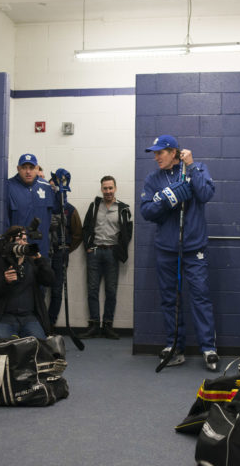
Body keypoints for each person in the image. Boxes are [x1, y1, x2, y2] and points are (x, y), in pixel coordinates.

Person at [140, 135, 218, 371]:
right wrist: (167, 199)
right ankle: (175, 346)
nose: (156, 157)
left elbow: (205, 195)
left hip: (194, 248)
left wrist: (192, 167)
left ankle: (208, 348)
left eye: (160, 153)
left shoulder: (196, 169)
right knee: (169, 299)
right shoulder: (153, 178)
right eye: (154, 153)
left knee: (200, 296)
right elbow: (146, 211)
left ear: (173, 152)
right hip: (166, 249)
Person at [79, 175, 132, 339]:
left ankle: (108, 325)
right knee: (92, 290)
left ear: (115, 188)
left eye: (110, 188)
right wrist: (88, 247)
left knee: (111, 290)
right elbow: (86, 227)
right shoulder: (94, 206)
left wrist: (119, 250)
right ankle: (94, 325)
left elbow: (128, 232)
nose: (108, 191)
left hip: (111, 253)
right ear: (101, 189)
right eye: (105, 188)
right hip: (94, 252)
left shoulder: (123, 208)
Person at [0, 226, 54, 339]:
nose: (22, 243)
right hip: (5, 317)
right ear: (9, 242)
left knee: (39, 344)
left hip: (29, 317)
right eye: (18, 239)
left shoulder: (32, 262)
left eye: (25, 240)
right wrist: (5, 282)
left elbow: (49, 280)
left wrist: (40, 261)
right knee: (3, 345)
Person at [47, 169, 82, 327]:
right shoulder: (44, 206)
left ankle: (50, 323)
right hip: (44, 252)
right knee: (39, 289)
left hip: (61, 252)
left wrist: (66, 248)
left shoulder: (70, 209)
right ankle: (37, 324)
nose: (55, 188)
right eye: (52, 185)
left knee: (56, 290)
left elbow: (77, 234)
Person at [6, 154, 53, 257]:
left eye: (31, 168)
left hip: (41, 248)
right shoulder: (8, 186)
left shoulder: (46, 187)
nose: (28, 171)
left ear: (37, 169)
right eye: (24, 168)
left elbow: (53, 213)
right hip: (19, 249)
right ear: (18, 169)